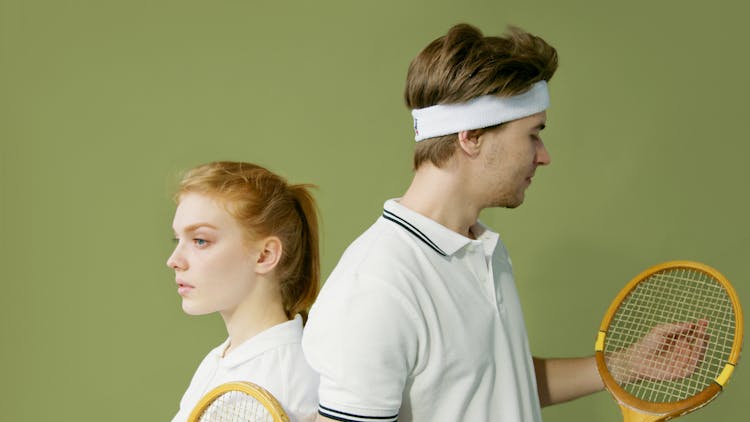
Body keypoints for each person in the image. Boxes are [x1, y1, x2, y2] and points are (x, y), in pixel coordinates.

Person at [301, 24, 707, 422]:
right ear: (472, 136)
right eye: (533, 134)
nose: (543, 155)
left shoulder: (482, 249)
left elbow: (494, 381)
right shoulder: (377, 286)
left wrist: (624, 364)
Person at [167, 161, 320, 422]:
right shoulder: (221, 359)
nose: (173, 260)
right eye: (177, 240)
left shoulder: (285, 377)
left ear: (265, 255)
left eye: (200, 240)